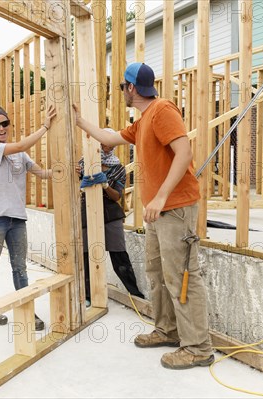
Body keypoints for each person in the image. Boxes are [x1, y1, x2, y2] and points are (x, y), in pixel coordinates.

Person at [73, 63, 214, 370]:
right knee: (157, 273)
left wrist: (161, 196)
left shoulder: (162, 110)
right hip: (157, 213)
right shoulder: (142, 121)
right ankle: (167, 329)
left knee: (182, 278)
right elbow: (108, 137)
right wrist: (79, 121)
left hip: (175, 209)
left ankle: (198, 348)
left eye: (122, 86)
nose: (121, 91)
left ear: (131, 88)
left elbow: (184, 152)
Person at [0, 104, 56, 330]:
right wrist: (44, 127)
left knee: (19, 267)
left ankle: (27, 312)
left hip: (17, 219)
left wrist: (66, 170)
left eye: (4, 123)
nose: (1, 128)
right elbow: (20, 144)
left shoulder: (20, 154)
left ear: (9, 124)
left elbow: (41, 173)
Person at [76, 131, 145, 307]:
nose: (108, 146)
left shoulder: (119, 168)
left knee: (118, 253)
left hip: (110, 214)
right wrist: (77, 177)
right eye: (105, 143)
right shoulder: (84, 163)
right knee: (87, 254)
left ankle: (135, 294)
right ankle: (88, 295)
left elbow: (117, 197)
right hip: (87, 212)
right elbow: (77, 188)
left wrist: (105, 185)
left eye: (111, 144)